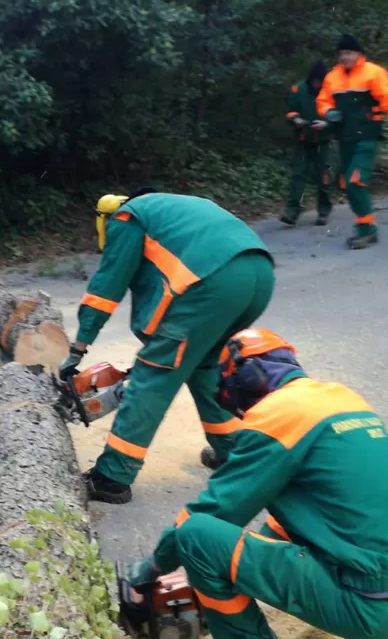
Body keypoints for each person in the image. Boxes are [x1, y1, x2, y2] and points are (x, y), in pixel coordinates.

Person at [125, 328, 388, 639]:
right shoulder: (341, 399)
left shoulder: (276, 415)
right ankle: (383, 637)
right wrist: (241, 573)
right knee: (314, 522)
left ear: (247, 379)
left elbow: (215, 511)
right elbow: (304, 514)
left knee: (195, 537)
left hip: (364, 602)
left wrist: (155, 565)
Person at [61, 189, 276, 504]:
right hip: (259, 273)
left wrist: (76, 351)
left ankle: (112, 477)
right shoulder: (176, 209)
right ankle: (233, 452)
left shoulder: (127, 217)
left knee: (153, 377)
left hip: (212, 283)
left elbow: (106, 289)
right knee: (206, 368)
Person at [314, 34, 388, 250]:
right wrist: (328, 112)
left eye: (349, 53)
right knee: (346, 184)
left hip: (366, 137)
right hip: (344, 138)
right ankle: (364, 224)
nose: (345, 57)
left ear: (358, 53)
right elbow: (322, 101)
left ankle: (367, 231)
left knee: (355, 181)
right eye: (341, 53)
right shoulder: (333, 77)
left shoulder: (374, 73)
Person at [281, 60, 334, 227]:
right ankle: (291, 212)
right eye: (315, 80)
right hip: (303, 139)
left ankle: (324, 212)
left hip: (323, 141)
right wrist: (295, 119)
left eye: (320, 81)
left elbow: (339, 116)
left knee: (323, 177)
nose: (317, 84)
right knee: (298, 175)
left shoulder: (331, 91)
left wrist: (326, 124)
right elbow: (290, 111)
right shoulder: (299, 89)